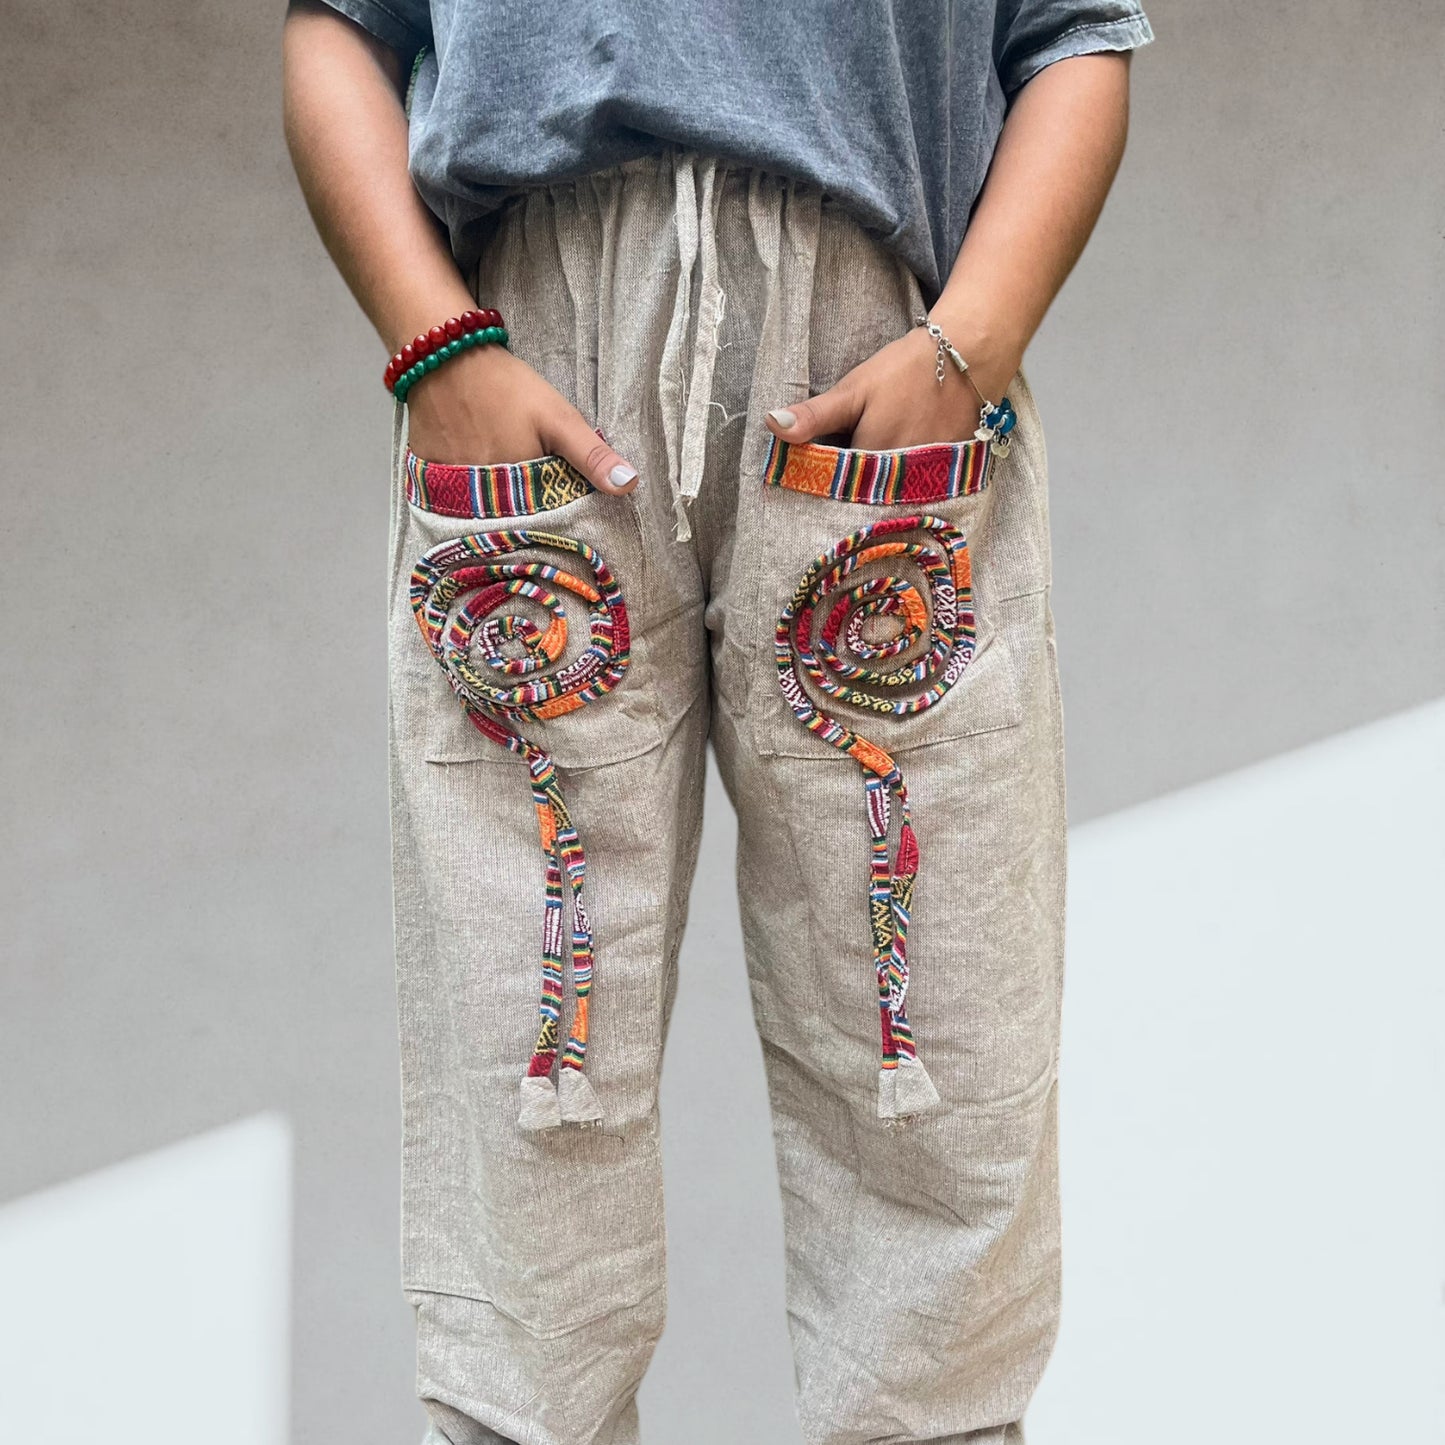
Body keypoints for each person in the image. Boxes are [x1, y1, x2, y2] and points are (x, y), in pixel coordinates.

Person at [282, 1, 1154, 1440]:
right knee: (524, 1042)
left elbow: (1071, 33)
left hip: (880, 349)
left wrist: (967, 346)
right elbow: (338, 28)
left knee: (935, 1034)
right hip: (532, 341)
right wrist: (433, 343)